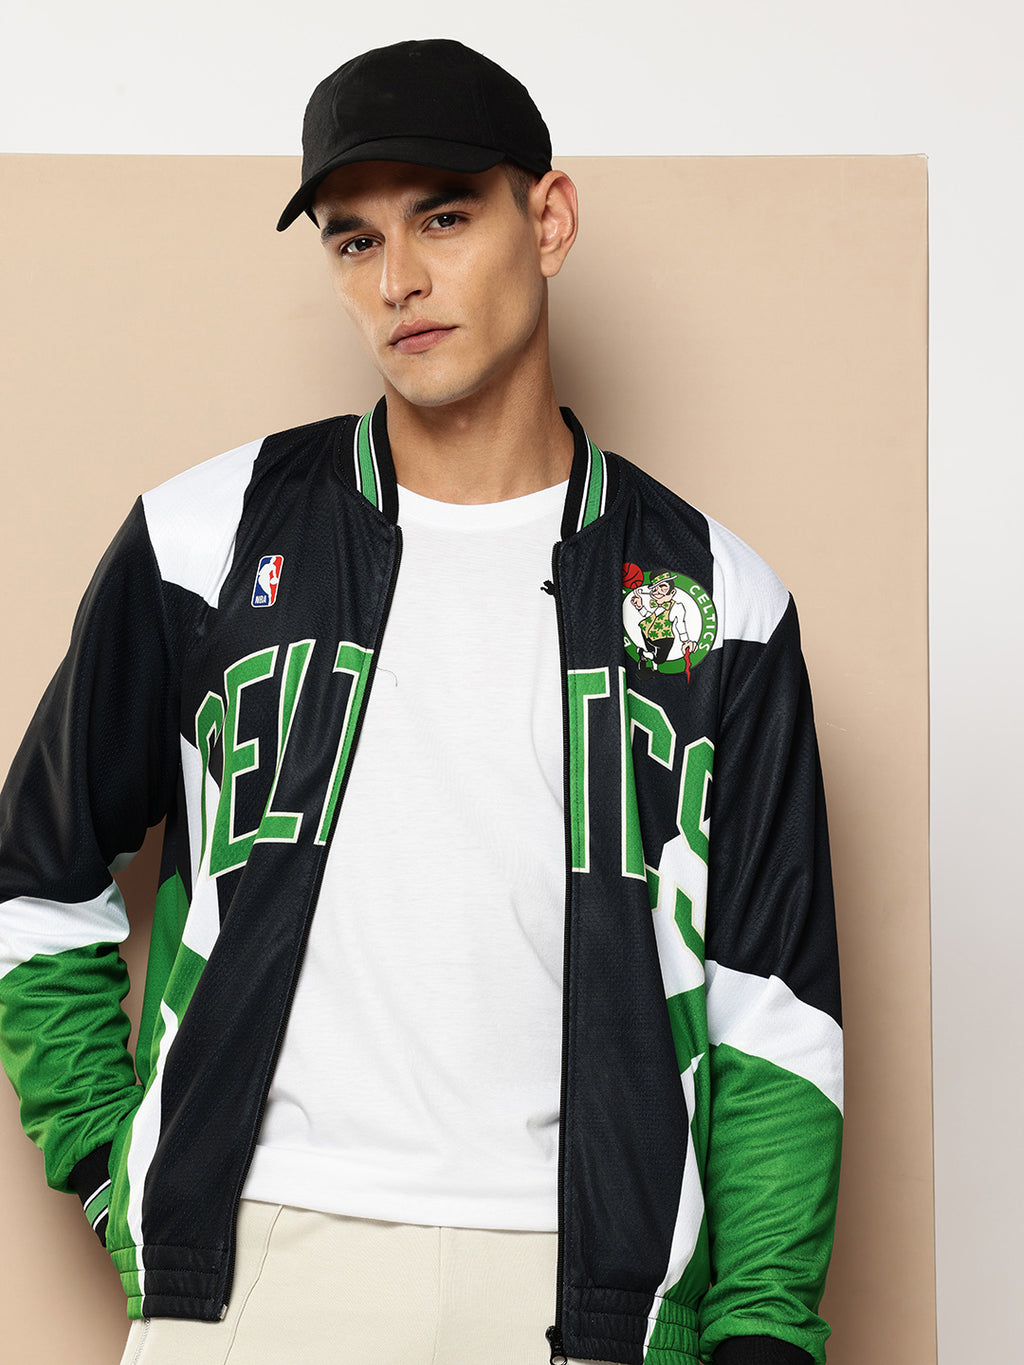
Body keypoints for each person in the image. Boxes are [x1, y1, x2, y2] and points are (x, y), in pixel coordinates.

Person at [0, 38, 842, 1365]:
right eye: (355, 240)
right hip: (254, 1271)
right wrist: (119, 1164)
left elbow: (773, 1009)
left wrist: (763, 1331)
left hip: (586, 1283)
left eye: (443, 218)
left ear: (547, 220)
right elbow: (33, 876)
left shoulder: (719, 599)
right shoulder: (202, 541)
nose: (398, 279)